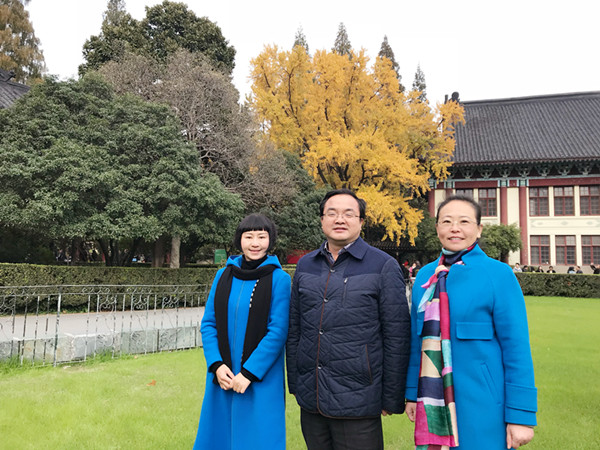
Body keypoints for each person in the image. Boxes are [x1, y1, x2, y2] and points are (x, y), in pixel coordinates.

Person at [405, 195, 537, 450]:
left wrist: (521, 415)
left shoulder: (498, 274)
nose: (455, 228)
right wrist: (412, 393)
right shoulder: (425, 277)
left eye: (464, 221)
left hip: (484, 404)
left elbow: (517, 348)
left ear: (478, 229)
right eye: (447, 221)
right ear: (437, 228)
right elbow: (416, 341)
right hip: (433, 400)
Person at [286, 189, 410, 450]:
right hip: (312, 397)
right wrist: (296, 383)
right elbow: (295, 327)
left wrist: (391, 396)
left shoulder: (383, 265)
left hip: (359, 397)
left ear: (361, 221)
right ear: (322, 220)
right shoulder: (306, 265)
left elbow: (397, 335)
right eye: (332, 213)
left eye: (348, 214)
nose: (339, 219)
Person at [193, 214, 291, 450]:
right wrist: (217, 365)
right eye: (249, 237)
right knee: (218, 437)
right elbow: (209, 323)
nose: (255, 243)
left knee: (259, 438)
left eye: (261, 237)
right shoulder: (223, 275)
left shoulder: (280, 279)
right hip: (223, 375)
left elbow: (278, 331)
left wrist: (249, 373)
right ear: (239, 240)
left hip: (260, 377)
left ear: (270, 240)